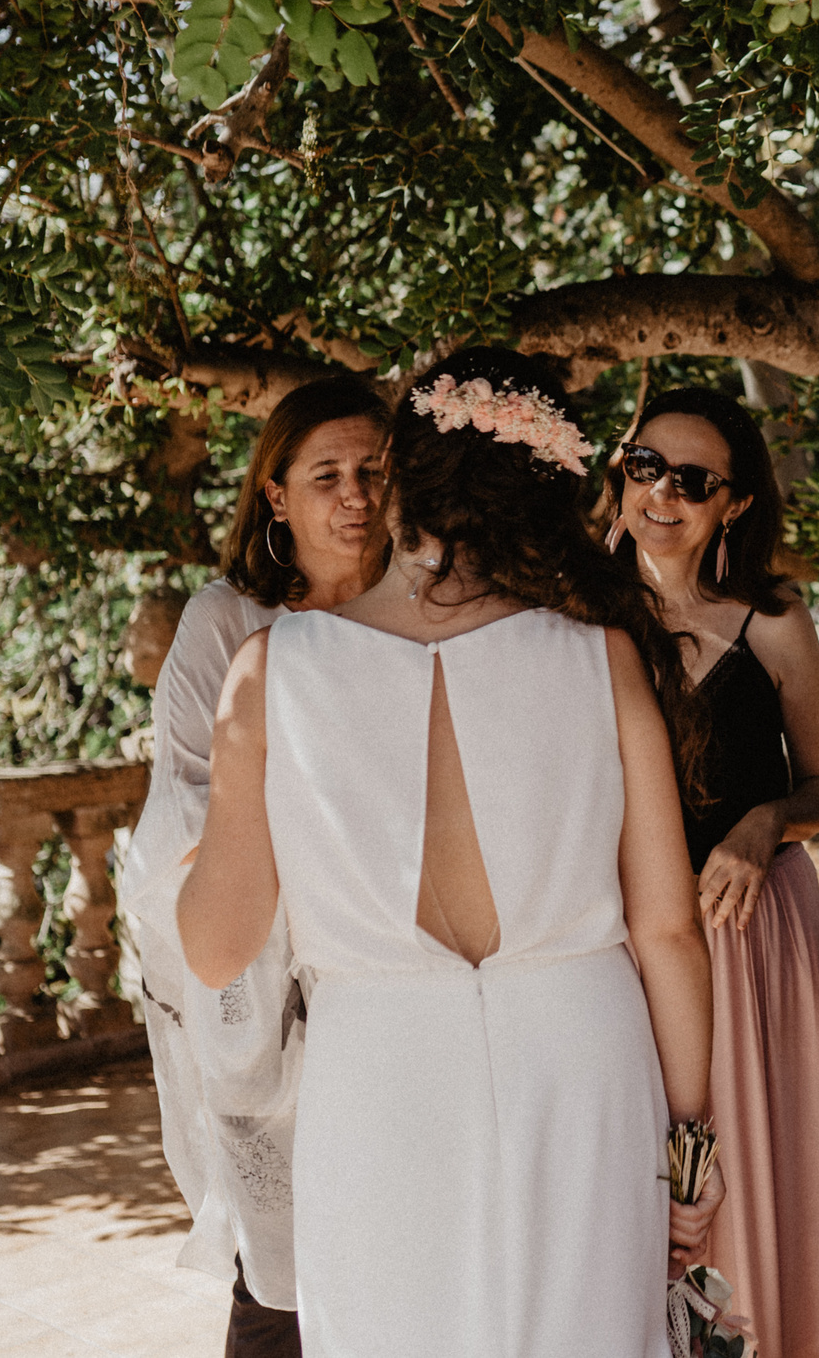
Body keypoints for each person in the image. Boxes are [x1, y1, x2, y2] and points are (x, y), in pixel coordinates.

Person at [177, 347, 721, 1357]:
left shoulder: (268, 675)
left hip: (381, 1069)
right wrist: (691, 1149)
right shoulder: (600, 654)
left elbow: (213, 949)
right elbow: (669, 930)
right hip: (581, 1057)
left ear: (401, 485)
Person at [120, 372, 391, 1354]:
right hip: (268, 980)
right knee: (279, 1273)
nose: (355, 494)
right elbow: (187, 806)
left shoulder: (430, 610)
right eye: (327, 474)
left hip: (400, 972)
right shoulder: (228, 621)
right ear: (274, 491)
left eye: (374, 469)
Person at [607, 385, 819, 1358]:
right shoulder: (571, 616)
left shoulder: (775, 619)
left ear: (734, 502)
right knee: (642, 1186)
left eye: (692, 479)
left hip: (752, 936)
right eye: (643, 466)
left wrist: (764, 822)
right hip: (621, 942)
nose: (662, 492)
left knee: (748, 1181)